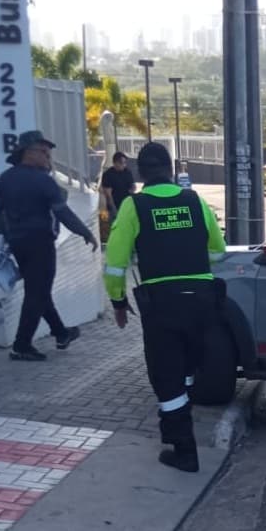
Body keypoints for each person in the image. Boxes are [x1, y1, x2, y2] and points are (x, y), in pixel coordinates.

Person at [103, 142, 226, 472]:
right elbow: (218, 250)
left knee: (166, 376)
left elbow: (114, 263)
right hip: (201, 300)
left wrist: (118, 301)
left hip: (163, 303)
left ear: (141, 173)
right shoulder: (194, 201)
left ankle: (183, 450)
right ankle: (183, 420)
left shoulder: (134, 206)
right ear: (171, 169)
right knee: (186, 368)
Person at [0, 131, 97, 361]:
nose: (48, 158)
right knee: (36, 293)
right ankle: (21, 346)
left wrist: (7, 233)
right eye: (44, 153)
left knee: (39, 289)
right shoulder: (43, 181)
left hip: (19, 243)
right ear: (28, 153)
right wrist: (85, 232)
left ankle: (61, 333)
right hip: (41, 243)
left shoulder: (5, 179)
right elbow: (63, 212)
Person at [100, 151, 136, 222]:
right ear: (115, 163)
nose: (124, 165)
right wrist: (114, 210)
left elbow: (132, 185)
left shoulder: (127, 172)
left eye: (125, 163)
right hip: (114, 205)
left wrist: (133, 188)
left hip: (126, 204)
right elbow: (108, 195)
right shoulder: (108, 175)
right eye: (121, 163)